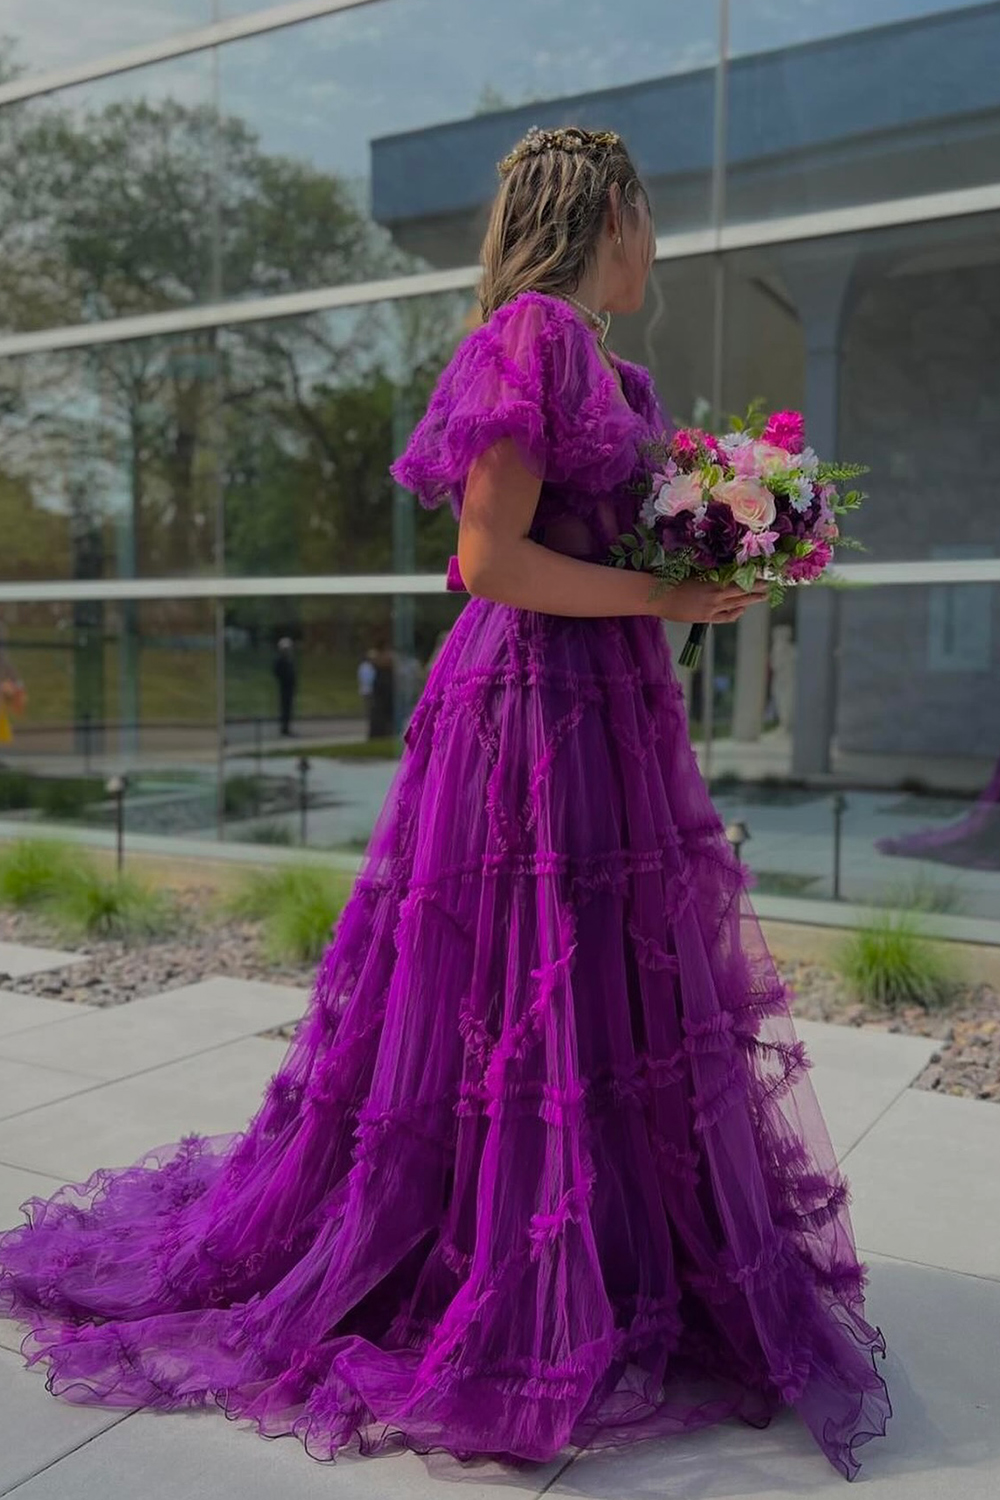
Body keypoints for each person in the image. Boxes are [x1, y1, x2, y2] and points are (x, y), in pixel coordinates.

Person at [0, 125, 891, 1479]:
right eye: (644, 216)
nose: (655, 243)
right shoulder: (531, 337)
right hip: (530, 710)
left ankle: (607, 1259)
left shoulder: (606, 360)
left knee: (595, 987)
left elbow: (591, 537)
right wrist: (666, 592)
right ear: (603, 214)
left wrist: (727, 537)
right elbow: (487, 558)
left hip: (600, 708)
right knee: (519, 992)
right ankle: (503, 1277)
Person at [272, 636, 297, 737]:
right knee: (284, 708)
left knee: (289, 708)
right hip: (284, 687)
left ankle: (287, 726)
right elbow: (277, 672)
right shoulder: (280, 660)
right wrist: (284, 677)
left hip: (289, 687)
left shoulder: (289, 660)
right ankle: (284, 727)